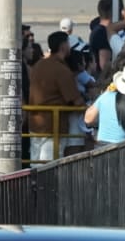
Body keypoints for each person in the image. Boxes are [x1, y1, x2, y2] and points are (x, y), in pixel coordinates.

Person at [29, 31, 86, 162]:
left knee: (36, 163)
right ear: (63, 46)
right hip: (52, 126)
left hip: (35, 124)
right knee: (50, 165)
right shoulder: (61, 70)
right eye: (68, 43)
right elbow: (76, 100)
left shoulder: (39, 65)